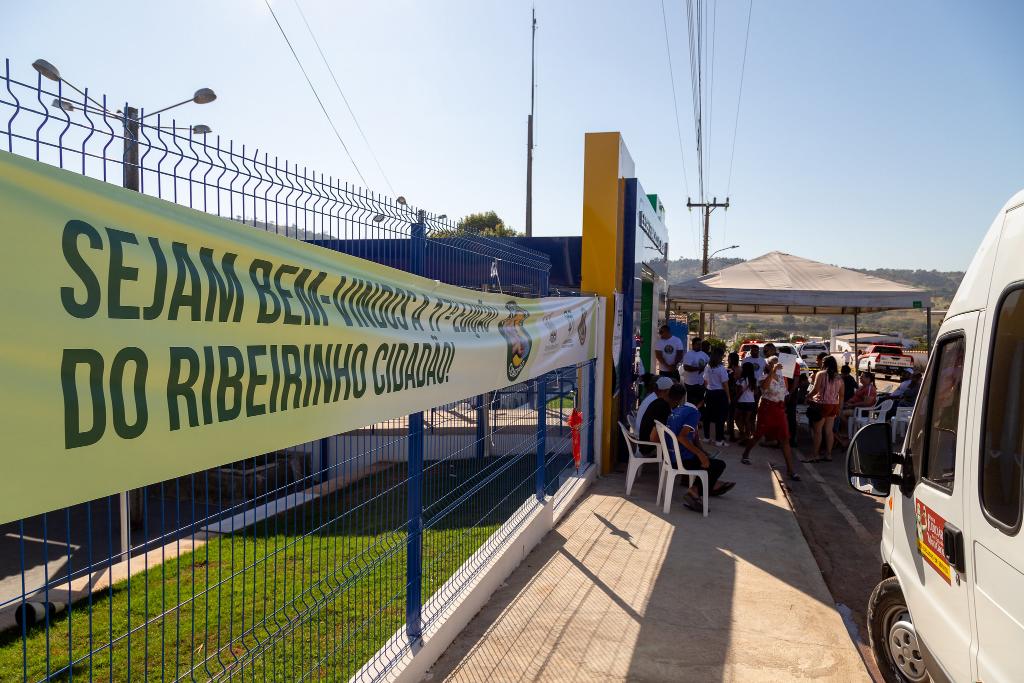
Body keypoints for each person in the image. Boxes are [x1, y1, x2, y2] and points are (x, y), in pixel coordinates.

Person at [666, 385, 735, 512]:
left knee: (710, 463)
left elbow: (688, 436)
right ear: (703, 401)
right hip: (681, 459)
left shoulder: (678, 409)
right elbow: (681, 437)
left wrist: (701, 452)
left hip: (670, 457)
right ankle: (695, 491)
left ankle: (707, 487)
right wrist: (700, 454)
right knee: (718, 465)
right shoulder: (694, 413)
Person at [740, 357, 801, 481]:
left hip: (779, 409)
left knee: (785, 439)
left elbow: (785, 393)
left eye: (777, 362)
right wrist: (772, 372)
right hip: (767, 409)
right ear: (767, 366)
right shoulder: (763, 377)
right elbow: (765, 387)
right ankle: (745, 454)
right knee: (758, 435)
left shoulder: (783, 378)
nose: (776, 364)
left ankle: (790, 470)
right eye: (772, 363)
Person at [806, 356, 844, 461]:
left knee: (817, 431)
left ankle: (815, 455)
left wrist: (807, 396)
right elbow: (841, 395)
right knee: (829, 431)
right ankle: (829, 454)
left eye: (823, 362)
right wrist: (840, 408)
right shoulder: (839, 377)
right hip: (834, 405)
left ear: (825, 363)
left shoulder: (821, 374)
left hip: (821, 405)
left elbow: (815, 390)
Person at [637, 377, 674, 456]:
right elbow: (654, 437)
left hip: (642, 438)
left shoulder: (654, 398)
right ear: (667, 391)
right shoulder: (660, 404)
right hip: (647, 445)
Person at [702, 350, 731, 447]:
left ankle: (706, 437)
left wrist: (708, 389)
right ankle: (719, 440)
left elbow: (705, 381)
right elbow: (725, 384)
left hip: (709, 392)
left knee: (707, 416)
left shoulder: (707, 367)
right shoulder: (721, 368)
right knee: (720, 417)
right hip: (719, 393)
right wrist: (728, 397)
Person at [733, 361, 758, 442]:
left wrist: (735, 400)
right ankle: (748, 436)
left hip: (741, 401)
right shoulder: (753, 380)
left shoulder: (741, 379)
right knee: (747, 420)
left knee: (737, 418)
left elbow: (739, 391)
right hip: (751, 402)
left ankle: (742, 433)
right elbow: (756, 392)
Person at [681, 337, 710, 402]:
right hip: (690, 384)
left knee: (700, 401)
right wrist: (699, 369)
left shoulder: (703, 354)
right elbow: (686, 367)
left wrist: (705, 367)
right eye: (698, 344)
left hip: (701, 383)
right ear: (693, 345)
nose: (700, 346)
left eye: (700, 344)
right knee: (692, 402)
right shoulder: (689, 354)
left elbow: (710, 363)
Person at [726, 351, 740, 441]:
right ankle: (729, 431)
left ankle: (731, 434)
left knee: (731, 415)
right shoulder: (737, 368)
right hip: (733, 393)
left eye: (729, 358)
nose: (727, 359)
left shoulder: (734, 369)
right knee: (730, 414)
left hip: (732, 393)